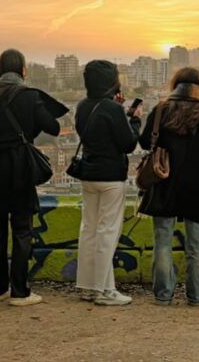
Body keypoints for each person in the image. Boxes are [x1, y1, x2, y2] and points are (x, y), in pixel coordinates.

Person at [0, 49, 67, 307]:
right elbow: (53, 127)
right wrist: (23, 133)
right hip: (19, 167)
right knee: (22, 229)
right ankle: (20, 291)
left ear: (0, 71)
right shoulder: (29, 97)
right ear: (23, 70)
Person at [138, 67, 199, 306]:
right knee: (197, 245)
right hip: (197, 183)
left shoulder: (161, 110)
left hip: (164, 181)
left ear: (175, 85)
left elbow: (144, 142)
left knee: (162, 241)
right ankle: (196, 295)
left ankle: (163, 294)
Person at [73, 60, 141, 306]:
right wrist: (133, 120)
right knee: (107, 232)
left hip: (88, 175)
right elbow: (128, 144)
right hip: (111, 177)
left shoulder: (82, 106)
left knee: (89, 229)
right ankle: (105, 290)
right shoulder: (112, 110)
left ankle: (87, 287)